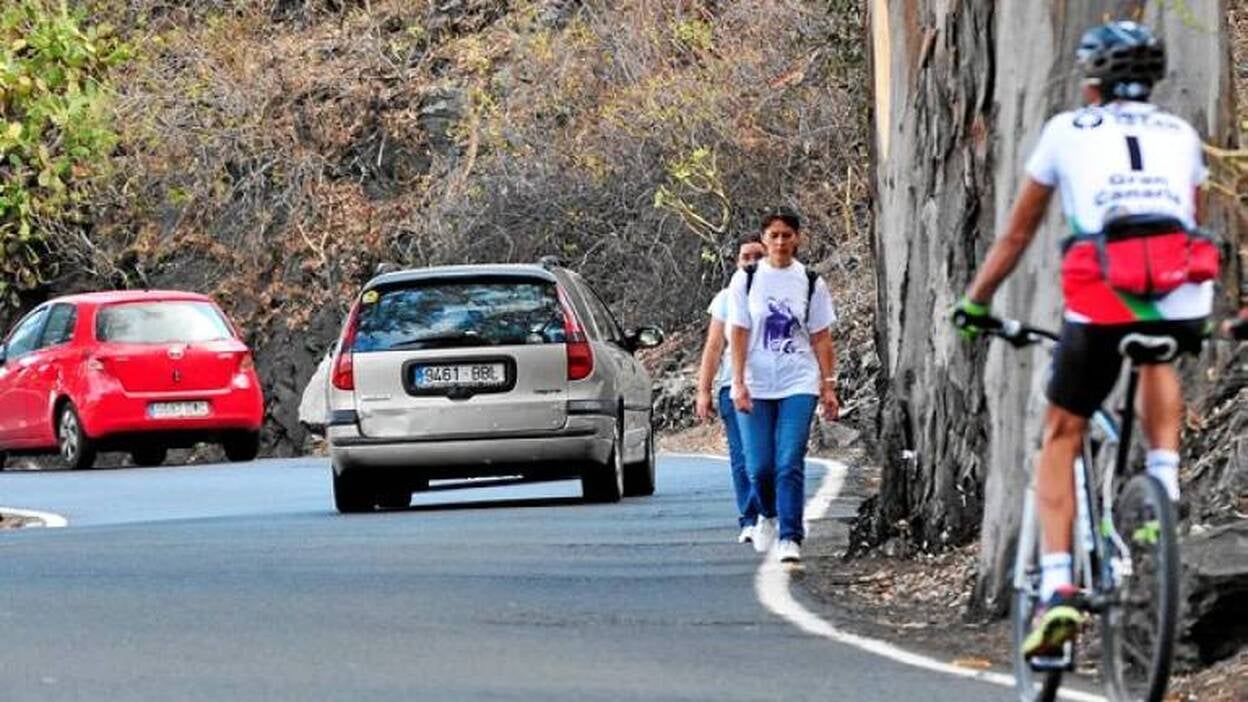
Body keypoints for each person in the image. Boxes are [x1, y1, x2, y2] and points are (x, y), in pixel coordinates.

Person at [951, 21, 1214, 660]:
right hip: (1182, 291)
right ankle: (1164, 482)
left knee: (1061, 434)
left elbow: (1016, 236)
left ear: (1090, 79)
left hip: (1103, 293)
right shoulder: (1180, 134)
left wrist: (977, 301)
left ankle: (1061, 586)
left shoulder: (1067, 130)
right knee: (1156, 348)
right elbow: (1193, 218)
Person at [728, 208, 839, 564]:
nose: (780, 242)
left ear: (797, 238)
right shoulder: (745, 281)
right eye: (773, 235)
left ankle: (790, 535)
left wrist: (828, 384)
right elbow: (739, 333)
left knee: (789, 460)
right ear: (763, 239)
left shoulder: (809, 281)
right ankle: (768, 514)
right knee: (759, 466)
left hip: (798, 380)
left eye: (786, 235)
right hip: (756, 383)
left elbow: (821, 337)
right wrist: (739, 381)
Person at [696, 234, 767, 544]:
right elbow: (713, 347)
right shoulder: (726, 298)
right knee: (743, 457)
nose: (751, 263)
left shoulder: (786, 293)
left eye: (757, 256)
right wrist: (703, 390)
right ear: (737, 262)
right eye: (745, 257)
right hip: (732, 386)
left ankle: (770, 511)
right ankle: (750, 518)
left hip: (772, 386)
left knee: (768, 457)